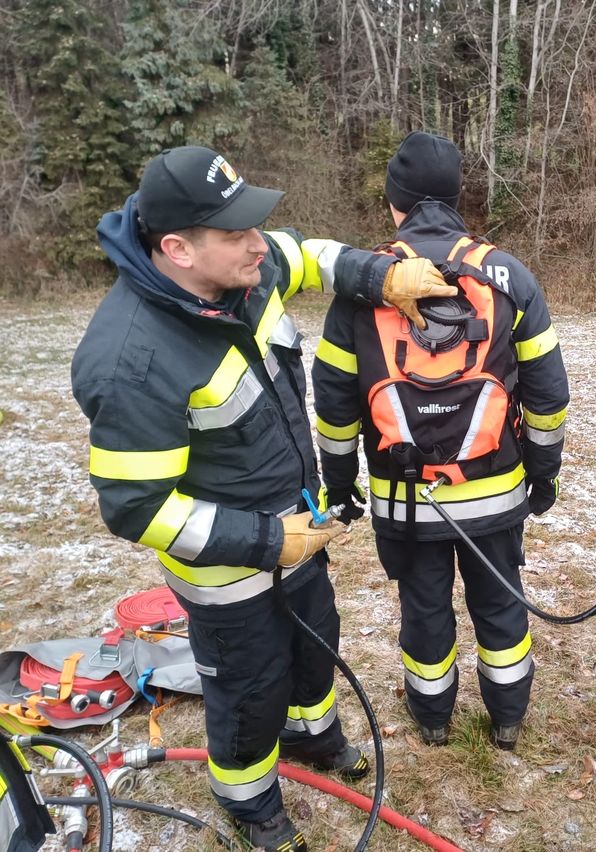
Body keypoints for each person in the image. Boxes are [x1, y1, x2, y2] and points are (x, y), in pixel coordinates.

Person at [71, 145, 456, 852]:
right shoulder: (134, 361)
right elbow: (134, 506)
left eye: (254, 226)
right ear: (179, 249)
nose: (259, 244)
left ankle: (313, 738)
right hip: (229, 573)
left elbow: (307, 255)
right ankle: (250, 803)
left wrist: (385, 274)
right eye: (236, 233)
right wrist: (266, 543)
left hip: (298, 529)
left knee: (315, 648)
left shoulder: (245, 271)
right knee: (249, 690)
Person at [311, 131, 570, 751]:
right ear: (457, 198)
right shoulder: (508, 274)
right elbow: (549, 393)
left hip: (406, 500)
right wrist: (543, 471)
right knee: (501, 604)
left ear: (394, 202)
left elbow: (335, 403)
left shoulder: (365, 280)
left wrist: (341, 484)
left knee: (424, 609)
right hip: (497, 489)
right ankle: (507, 719)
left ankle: (433, 721)